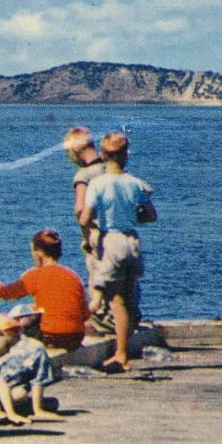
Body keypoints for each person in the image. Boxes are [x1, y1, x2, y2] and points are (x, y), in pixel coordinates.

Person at [78, 131, 157, 372]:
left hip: (110, 239)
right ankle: (122, 350)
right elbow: (150, 215)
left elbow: (85, 217)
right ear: (126, 155)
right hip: (132, 240)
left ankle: (120, 354)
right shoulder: (135, 183)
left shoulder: (97, 184)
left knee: (111, 299)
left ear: (102, 155)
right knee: (127, 296)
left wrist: (88, 236)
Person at [64, 127, 142, 333]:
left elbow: (80, 210)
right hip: (124, 235)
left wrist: (85, 238)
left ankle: (104, 325)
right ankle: (128, 325)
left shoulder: (84, 175)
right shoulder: (112, 169)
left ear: (75, 152)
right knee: (126, 286)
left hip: (98, 236)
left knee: (100, 283)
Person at [0, 230, 90, 351]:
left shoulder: (34, 275)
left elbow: (4, 293)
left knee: (14, 325)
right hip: (76, 337)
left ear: (39, 253)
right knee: (34, 309)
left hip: (52, 337)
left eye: (33, 251)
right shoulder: (73, 276)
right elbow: (85, 314)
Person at [0, 313, 60, 425]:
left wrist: (11, 413)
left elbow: (0, 382)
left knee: (20, 393)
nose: (8, 352)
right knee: (21, 394)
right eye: (7, 345)